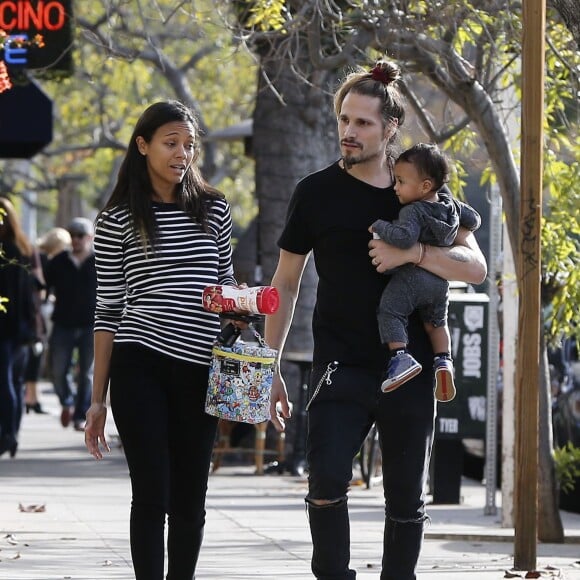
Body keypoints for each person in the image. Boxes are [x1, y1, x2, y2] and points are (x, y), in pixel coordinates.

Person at [265, 59, 487, 580]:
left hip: (407, 367)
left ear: (390, 128)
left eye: (363, 122)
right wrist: (269, 365)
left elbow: (474, 268)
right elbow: (286, 282)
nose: (349, 131)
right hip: (340, 364)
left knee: (406, 495)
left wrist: (411, 255)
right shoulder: (314, 192)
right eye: (345, 119)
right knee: (324, 482)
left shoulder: (419, 190)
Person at [84, 100, 238, 580]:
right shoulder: (116, 220)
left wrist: (248, 306)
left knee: (191, 498)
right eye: (171, 143)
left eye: (189, 145)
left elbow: (227, 288)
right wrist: (96, 401)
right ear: (143, 145)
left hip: (201, 369)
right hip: (139, 364)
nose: (182, 153)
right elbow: (108, 310)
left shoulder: (213, 209)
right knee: (151, 492)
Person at [370, 143, 481, 401]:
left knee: (390, 311)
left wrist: (381, 226)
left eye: (401, 182)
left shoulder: (413, 210)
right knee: (436, 324)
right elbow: (474, 220)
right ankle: (444, 362)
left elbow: (405, 238)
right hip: (440, 283)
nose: (395, 187)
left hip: (413, 277)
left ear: (425, 186)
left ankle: (400, 358)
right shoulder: (450, 204)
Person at [44, 217, 97, 431]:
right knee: (58, 369)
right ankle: (66, 401)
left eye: (80, 235)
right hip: (63, 323)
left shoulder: (100, 261)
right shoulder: (58, 262)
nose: (76, 240)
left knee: (87, 372)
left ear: (90, 238)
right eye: (72, 235)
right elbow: (43, 286)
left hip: (90, 325)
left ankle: (80, 413)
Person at [0, 197, 41, 458]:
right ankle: (12, 433)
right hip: (22, 328)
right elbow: (34, 291)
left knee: (6, 382)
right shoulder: (24, 249)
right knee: (13, 380)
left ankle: (8, 435)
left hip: (6, 327)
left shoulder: (7, 251)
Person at [23, 227, 72, 414]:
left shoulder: (38, 254)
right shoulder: (43, 259)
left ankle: (32, 398)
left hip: (34, 310)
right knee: (36, 353)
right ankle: (31, 398)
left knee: (35, 354)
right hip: (35, 312)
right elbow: (40, 286)